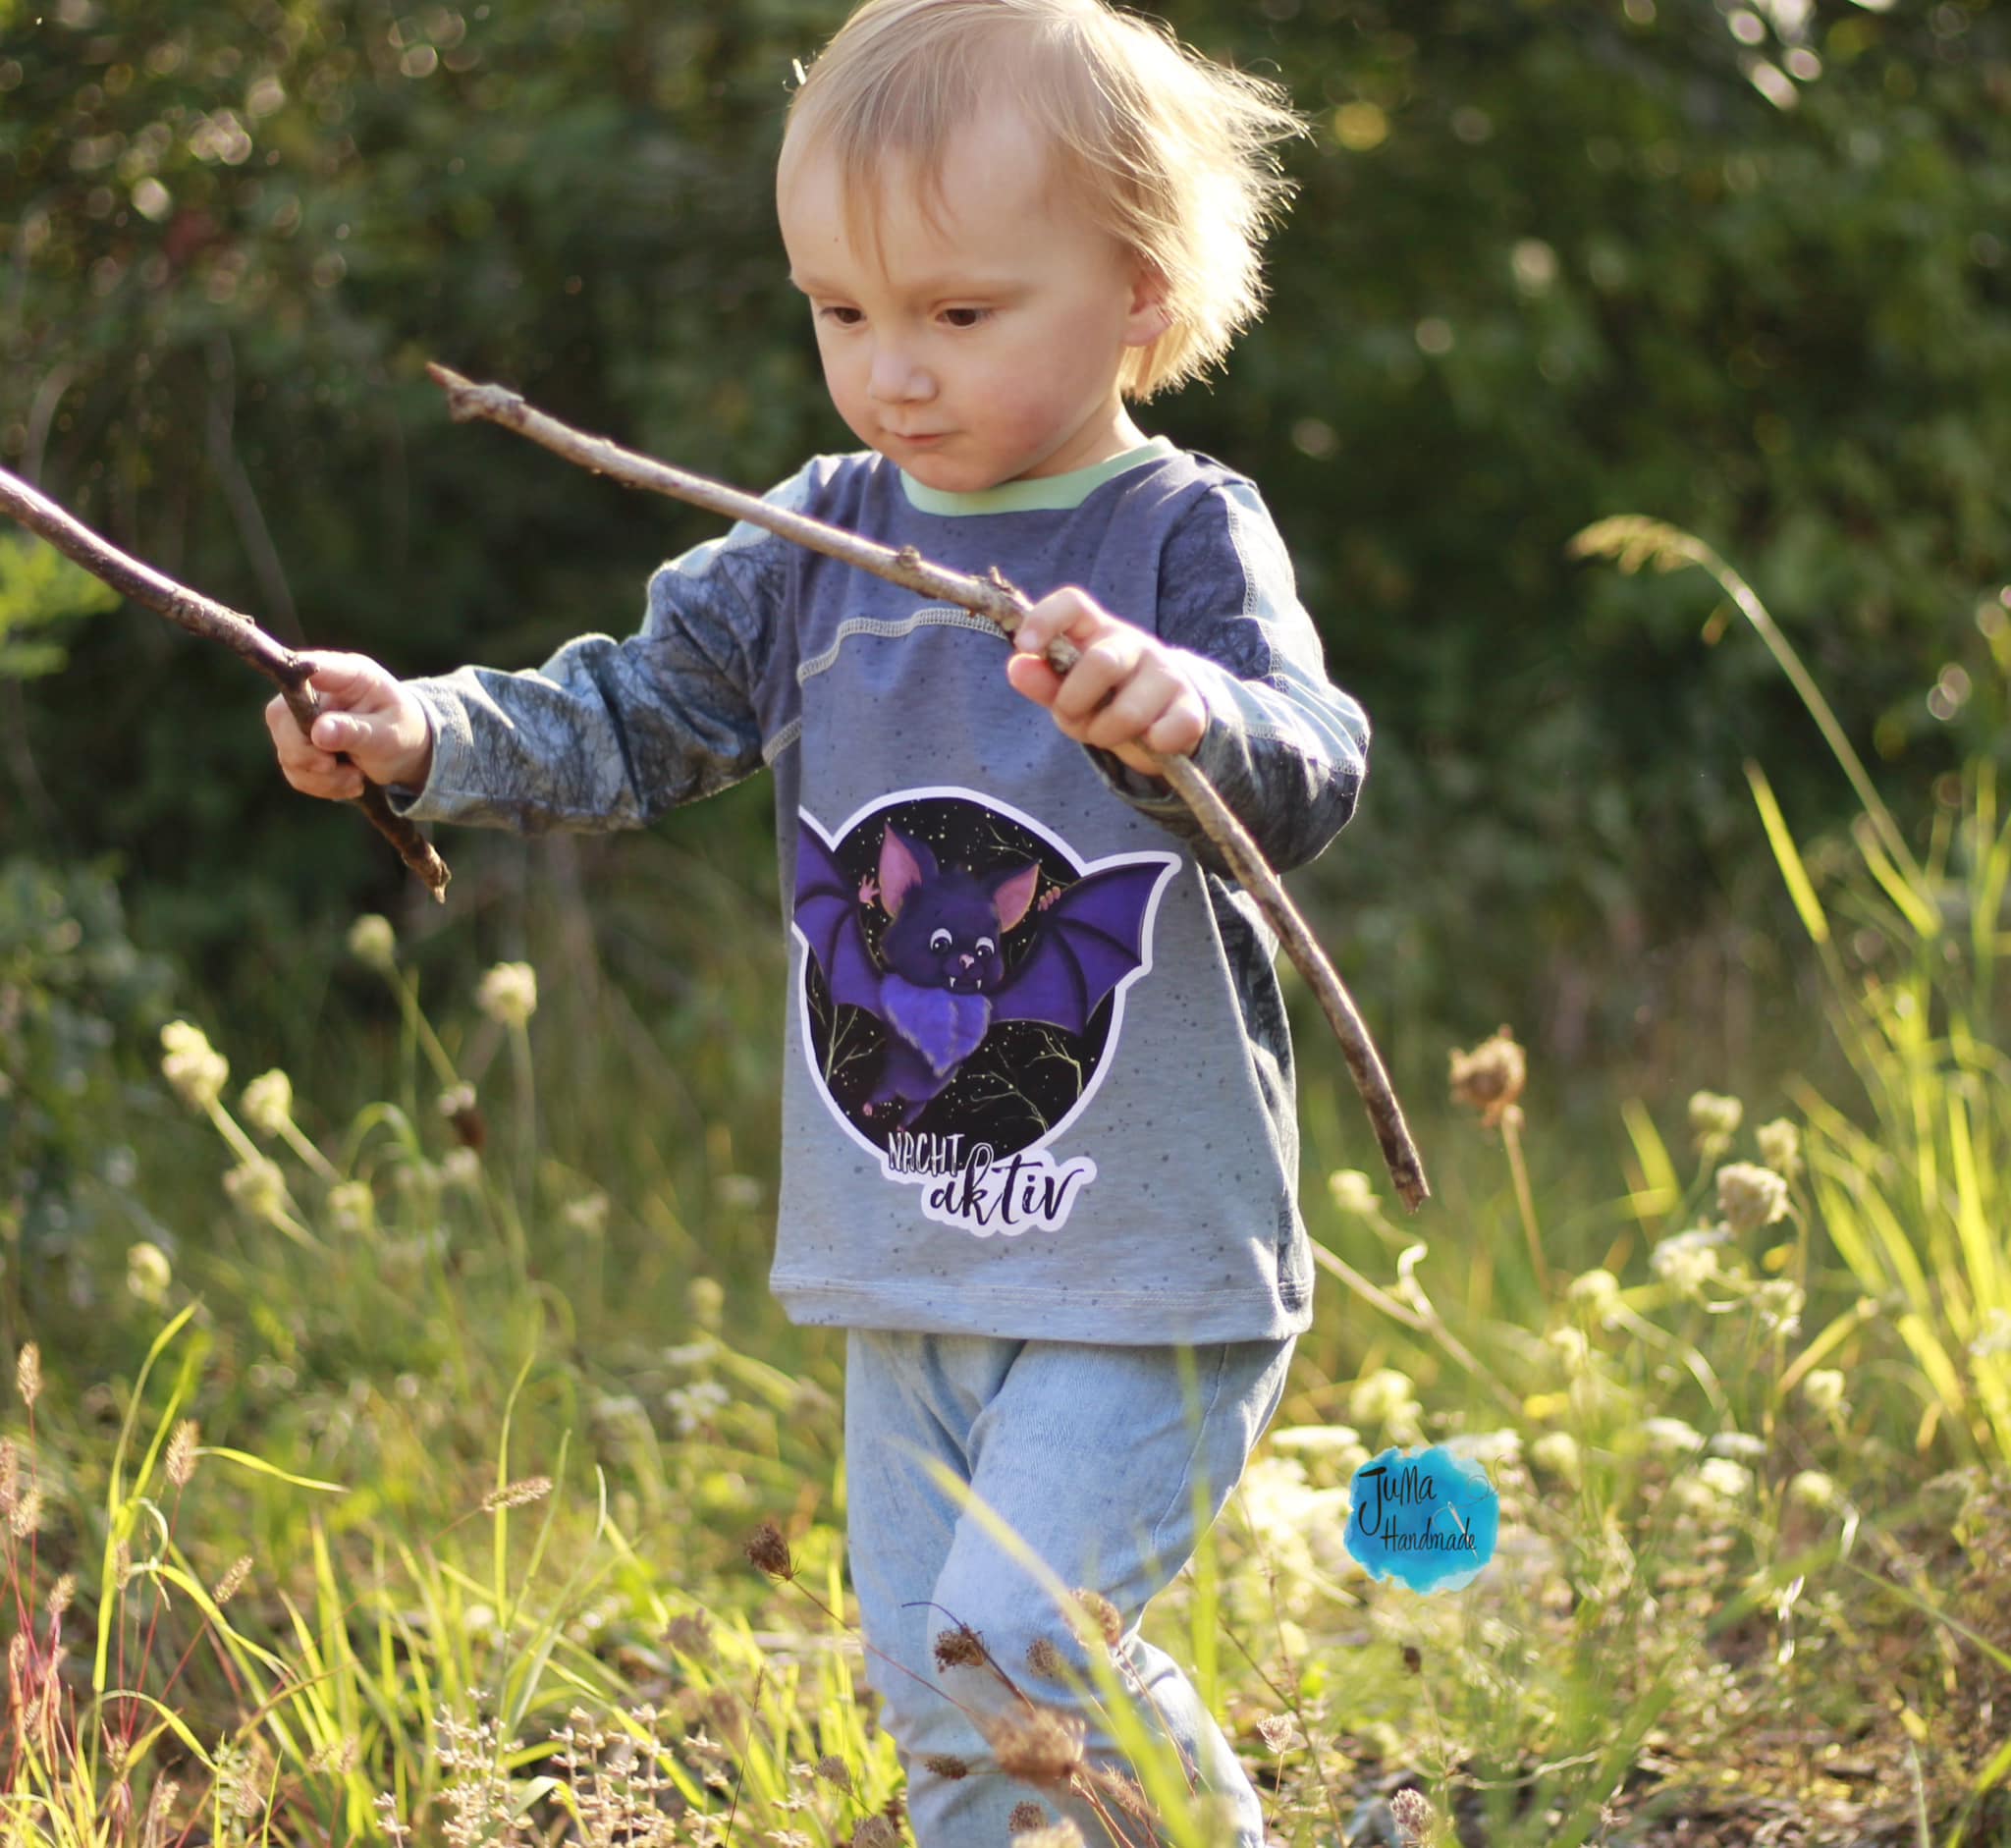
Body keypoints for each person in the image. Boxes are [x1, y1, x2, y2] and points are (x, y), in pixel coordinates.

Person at [267, 1, 1370, 1839]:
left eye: (956, 312)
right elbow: (630, 716)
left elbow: (1311, 762)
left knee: (1025, 1637)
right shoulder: (814, 543)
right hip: (909, 1258)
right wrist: (430, 731)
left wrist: (1184, 717)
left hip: (1145, 1261)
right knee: (943, 1706)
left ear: (1141, 299)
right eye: (839, 312)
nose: (890, 373)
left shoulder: (1176, 538)